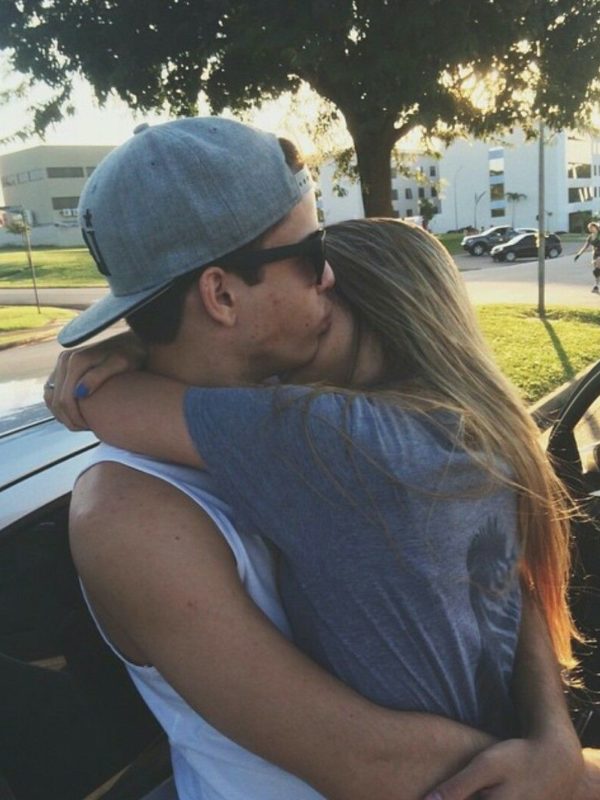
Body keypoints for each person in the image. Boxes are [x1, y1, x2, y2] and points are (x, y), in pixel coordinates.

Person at [44, 118, 597, 799]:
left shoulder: (317, 402)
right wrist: (567, 777)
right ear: (222, 296)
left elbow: (492, 571)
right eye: (312, 252)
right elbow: (371, 763)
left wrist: (553, 736)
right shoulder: (130, 509)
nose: (329, 274)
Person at [574, 221, 600, 293]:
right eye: (589, 228)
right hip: (595, 254)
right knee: (596, 273)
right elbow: (585, 247)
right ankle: (596, 286)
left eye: (592, 227)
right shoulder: (590, 237)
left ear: (596, 227)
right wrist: (578, 255)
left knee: (598, 265)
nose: (591, 229)